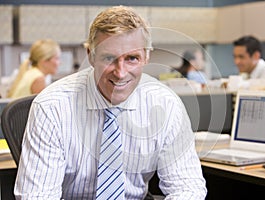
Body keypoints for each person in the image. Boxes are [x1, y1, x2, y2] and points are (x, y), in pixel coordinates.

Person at [14, 6, 207, 199]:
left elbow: (187, 187)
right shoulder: (52, 107)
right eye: (109, 58)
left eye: (132, 58)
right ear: (90, 55)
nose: (120, 72)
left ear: (146, 56)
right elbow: (37, 195)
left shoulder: (166, 104)